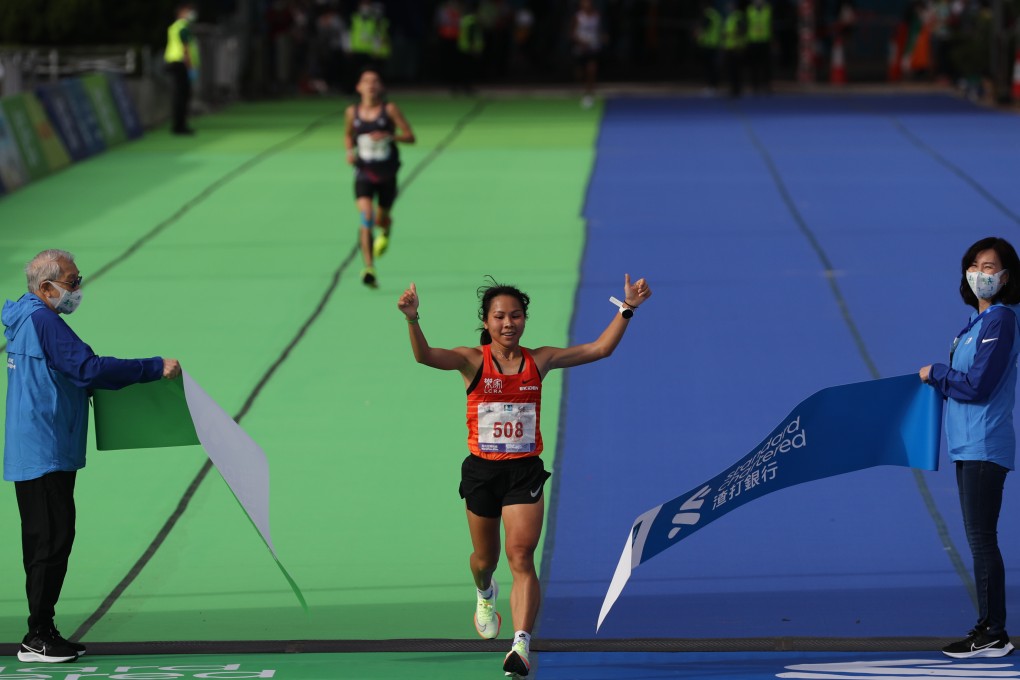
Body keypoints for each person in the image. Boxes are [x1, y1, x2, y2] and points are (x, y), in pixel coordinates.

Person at [396, 273, 651, 678]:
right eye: (499, 317)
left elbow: (599, 349)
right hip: (482, 473)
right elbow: (426, 356)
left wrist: (628, 308)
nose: (508, 323)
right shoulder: (471, 360)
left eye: (515, 315)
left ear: (525, 319)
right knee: (486, 559)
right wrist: (413, 318)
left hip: (523, 472)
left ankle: (520, 644)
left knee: (520, 556)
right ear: (486, 322)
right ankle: (484, 591)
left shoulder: (541, 359)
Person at [3, 250, 181, 664]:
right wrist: (153, 367)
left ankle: (43, 629)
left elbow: (66, 372)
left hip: (40, 446)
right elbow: (88, 368)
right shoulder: (43, 320)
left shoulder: (27, 317)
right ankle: (37, 635)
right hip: (44, 449)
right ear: (46, 288)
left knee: (48, 539)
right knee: (50, 540)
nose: (77, 288)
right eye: (72, 280)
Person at [919, 236, 1020, 659]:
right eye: (976, 265)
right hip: (967, 445)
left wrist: (937, 374)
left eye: (990, 267)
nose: (982, 274)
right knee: (979, 538)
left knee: (981, 540)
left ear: (1006, 276)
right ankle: (989, 627)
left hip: (983, 443)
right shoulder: (975, 324)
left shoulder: (1000, 321)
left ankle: (993, 632)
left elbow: (978, 385)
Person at [344, 69, 415, 289]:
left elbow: (410, 136)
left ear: (381, 87)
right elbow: (348, 134)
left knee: (380, 218)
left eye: (375, 81)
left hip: (387, 173)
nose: (371, 85)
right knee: (366, 216)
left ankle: (385, 229)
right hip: (364, 172)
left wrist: (389, 136)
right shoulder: (352, 112)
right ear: (358, 87)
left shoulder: (389, 109)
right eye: (366, 81)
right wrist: (349, 151)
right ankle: (369, 267)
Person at [164, 2, 200, 135]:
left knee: (180, 96)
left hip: (175, 64)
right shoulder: (182, 28)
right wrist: (190, 67)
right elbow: (185, 49)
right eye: (188, 11)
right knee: (182, 96)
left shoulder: (176, 27)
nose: (191, 13)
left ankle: (179, 125)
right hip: (181, 64)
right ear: (181, 13)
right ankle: (180, 126)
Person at [571, 0, 603, 108]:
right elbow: (572, 33)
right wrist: (580, 42)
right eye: (583, 3)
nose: (586, 5)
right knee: (580, 74)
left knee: (592, 69)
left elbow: (600, 31)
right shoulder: (578, 17)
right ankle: (582, 88)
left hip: (593, 48)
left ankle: (589, 93)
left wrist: (602, 38)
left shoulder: (596, 16)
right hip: (580, 49)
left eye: (588, 3)